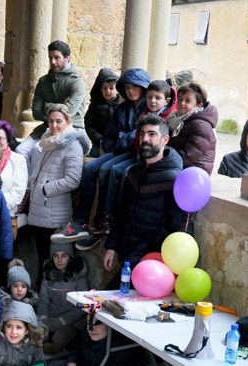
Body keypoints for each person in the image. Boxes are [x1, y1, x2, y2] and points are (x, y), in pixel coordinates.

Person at [56, 68, 151, 244]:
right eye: (127, 87)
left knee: (108, 170)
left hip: (134, 154)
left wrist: (121, 139)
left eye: (135, 87)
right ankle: (80, 221)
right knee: (90, 168)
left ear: (143, 88)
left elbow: (138, 136)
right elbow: (109, 137)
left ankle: (102, 221)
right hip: (118, 150)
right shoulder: (122, 109)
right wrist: (117, 140)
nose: (130, 91)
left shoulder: (148, 109)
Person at [104, 114, 185, 272]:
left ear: (165, 140)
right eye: (142, 134)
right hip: (127, 259)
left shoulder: (174, 179)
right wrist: (112, 247)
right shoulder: (132, 172)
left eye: (152, 134)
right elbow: (121, 213)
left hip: (155, 264)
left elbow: (179, 228)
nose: (145, 139)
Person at [22, 103, 87, 285]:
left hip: (54, 212)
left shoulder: (72, 146)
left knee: (56, 260)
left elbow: (73, 179)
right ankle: (41, 293)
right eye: (51, 121)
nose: (54, 125)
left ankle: (53, 295)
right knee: (42, 257)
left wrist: (45, 188)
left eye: (59, 121)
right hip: (38, 210)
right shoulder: (46, 140)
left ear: (68, 121)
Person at [16, 41, 88, 157]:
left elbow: (70, 111)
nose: (52, 62)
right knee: (21, 151)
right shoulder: (43, 81)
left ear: (67, 58)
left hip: (72, 128)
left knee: (38, 151)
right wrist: (60, 107)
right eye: (50, 58)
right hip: (46, 127)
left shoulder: (77, 82)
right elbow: (36, 113)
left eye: (57, 58)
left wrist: (47, 106)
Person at [38, 242, 89, 354]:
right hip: (51, 318)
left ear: (70, 257)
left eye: (64, 255)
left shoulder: (79, 276)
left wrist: (62, 321)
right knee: (38, 337)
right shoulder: (48, 275)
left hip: (73, 321)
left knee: (58, 340)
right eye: (55, 256)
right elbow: (43, 300)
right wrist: (42, 319)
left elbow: (83, 305)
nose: (59, 260)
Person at [166, 82, 218, 174]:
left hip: (194, 173)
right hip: (180, 166)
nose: (182, 103)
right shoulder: (176, 120)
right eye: (180, 99)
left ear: (199, 105)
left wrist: (162, 159)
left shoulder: (201, 126)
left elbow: (187, 157)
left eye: (188, 101)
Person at [0, 300, 45, 366]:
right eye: (9, 326)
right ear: (3, 327)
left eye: (19, 327)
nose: (13, 332)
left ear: (27, 330)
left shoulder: (34, 346)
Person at [0, 120, 28, 223]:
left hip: (5, 214)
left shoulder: (18, 159)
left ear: (8, 140)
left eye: (0, 138)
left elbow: (18, 192)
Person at [84, 68, 121, 157]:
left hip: (116, 142)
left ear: (117, 89)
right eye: (104, 88)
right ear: (100, 89)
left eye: (111, 88)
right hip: (99, 143)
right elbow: (89, 125)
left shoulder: (121, 104)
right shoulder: (95, 105)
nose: (108, 91)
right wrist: (99, 139)